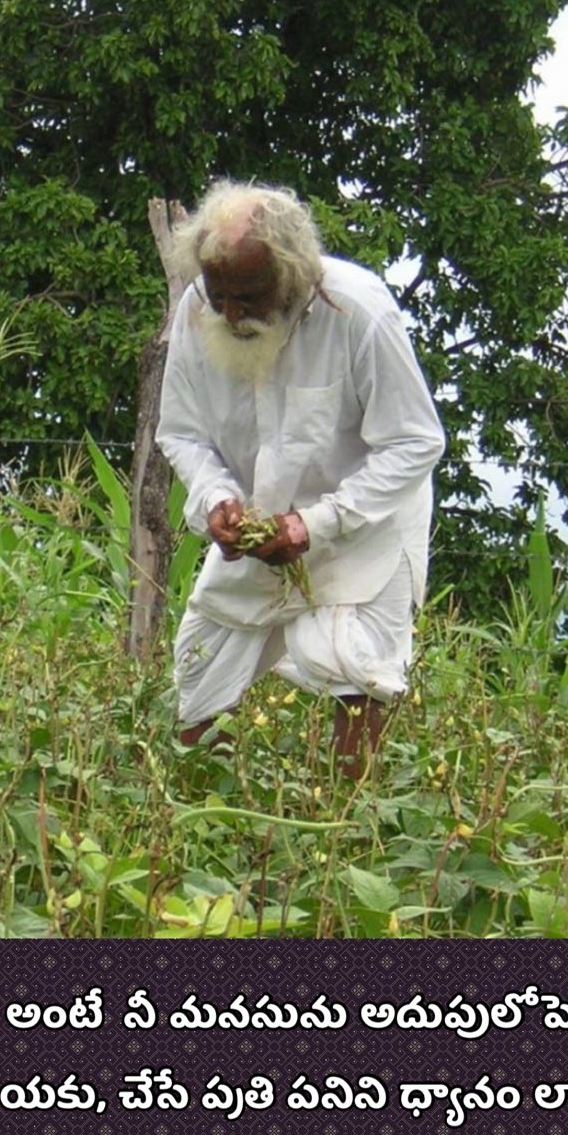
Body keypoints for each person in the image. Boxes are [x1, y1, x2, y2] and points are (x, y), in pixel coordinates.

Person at [155, 179, 445, 779]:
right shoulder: (198, 311)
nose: (231, 314)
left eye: (249, 297)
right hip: (257, 531)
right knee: (202, 671)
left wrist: (314, 525)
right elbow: (181, 433)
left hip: (366, 527)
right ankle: (201, 809)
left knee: (359, 674)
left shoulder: (359, 312)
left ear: (291, 276)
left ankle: (346, 820)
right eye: (219, 295)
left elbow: (416, 441)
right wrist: (217, 501)